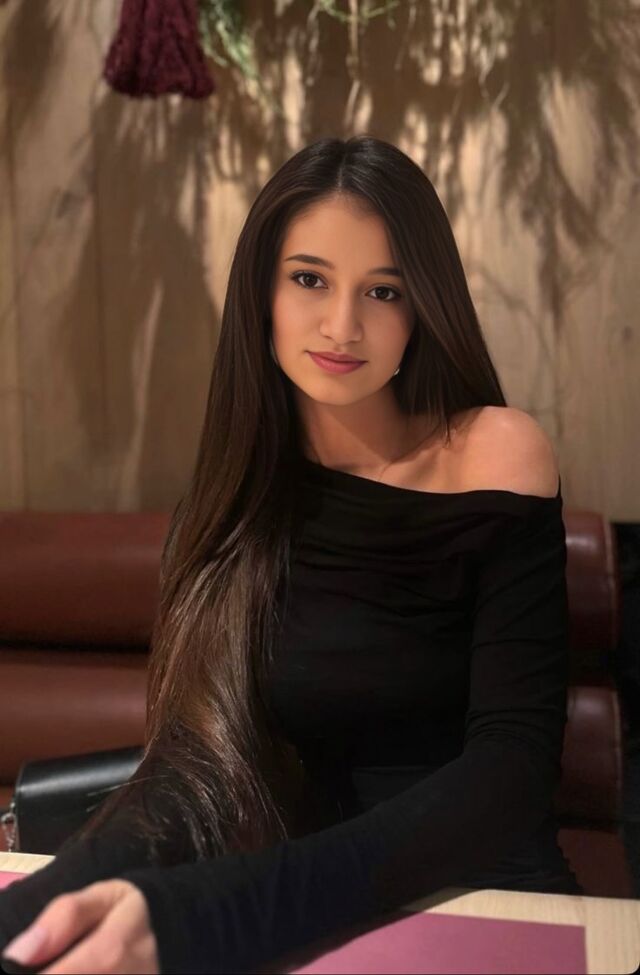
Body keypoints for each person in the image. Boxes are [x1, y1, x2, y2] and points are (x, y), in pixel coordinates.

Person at [0, 135, 582, 975]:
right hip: (305, 925)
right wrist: (37, 907)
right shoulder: (229, 501)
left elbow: (511, 768)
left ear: (422, 306)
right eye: (310, 279)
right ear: (262, 292)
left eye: (383, 290)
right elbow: (193, 767)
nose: (342, 325)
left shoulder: (496, 453)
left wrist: (227, 911)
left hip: (482, 900)